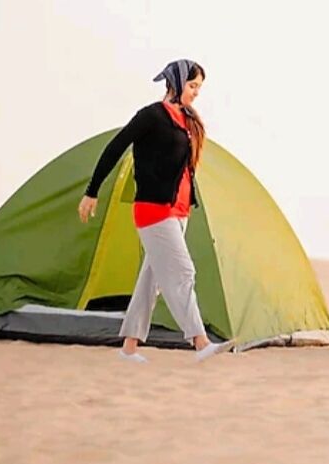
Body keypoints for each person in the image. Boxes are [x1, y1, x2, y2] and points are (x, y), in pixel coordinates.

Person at [78, 60, 233, 363]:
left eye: (199, 87)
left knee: (152, 280)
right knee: (183, 272)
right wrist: (92, 191)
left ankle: (129, 348)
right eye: (192, 85)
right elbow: (115, 147)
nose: (196, 92)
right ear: (176, 82)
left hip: (179, 212)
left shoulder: (187, 120)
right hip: (154, 210)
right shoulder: (151, 116)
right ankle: (200, 342)